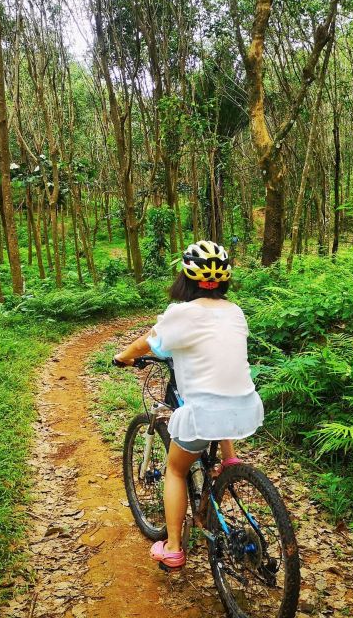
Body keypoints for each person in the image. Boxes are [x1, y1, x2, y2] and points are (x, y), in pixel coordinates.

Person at [113, 240, 264, 568]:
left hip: (206, 414)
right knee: (218, 398)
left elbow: (147, 343)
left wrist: (122, 357)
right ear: (224, 280)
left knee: (176, 469)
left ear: (185, 278)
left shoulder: (180, 313)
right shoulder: (235, 312)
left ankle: (174, 548)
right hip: (246, 408)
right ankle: (229, 462)